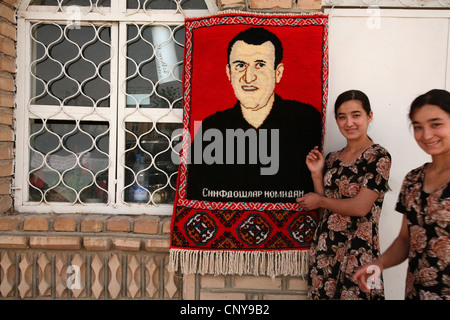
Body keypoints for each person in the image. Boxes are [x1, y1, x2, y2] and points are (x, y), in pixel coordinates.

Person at [186, 27, 322, 203]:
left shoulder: (305, 119)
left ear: (277, 73)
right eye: (240, 65)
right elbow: (194, 191)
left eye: (260, 65)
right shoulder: (211, 127)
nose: (248, 77)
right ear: (229, 73)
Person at [354, 89, 450, 300]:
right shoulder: (413, 180)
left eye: (436, 124)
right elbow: (406, 240)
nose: (426, 135)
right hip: (416, 292)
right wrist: (379, 264)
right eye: (418, 127)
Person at [296, 90, 392, 300]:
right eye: (342, 117)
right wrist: (317, 174)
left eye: (356, 115)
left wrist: (319, 199)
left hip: (361, 252)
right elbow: (325, 211)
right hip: (326, 251)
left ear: (370, 116)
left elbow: (361, 207)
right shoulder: (332, 158)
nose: (349, 122)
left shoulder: (378, 156)